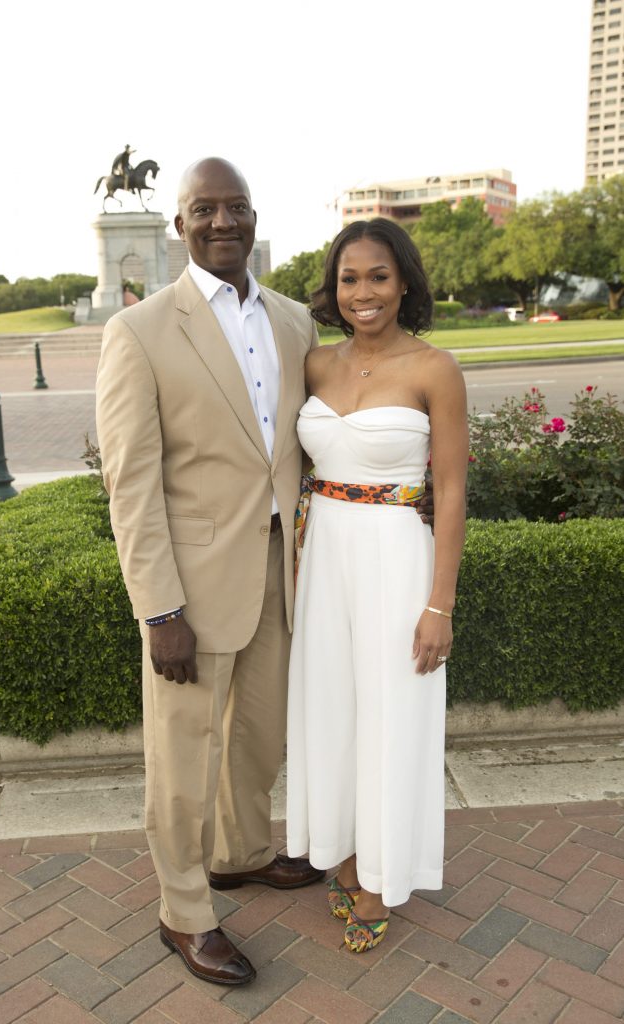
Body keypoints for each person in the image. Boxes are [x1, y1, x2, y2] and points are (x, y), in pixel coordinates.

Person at [95, 157, 325, 988]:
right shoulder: (141, 330)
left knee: (261, 734)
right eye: (204, 209)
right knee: (184, 753)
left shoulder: (295, 320)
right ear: (179, 224)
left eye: (235, 208)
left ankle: (239, 853)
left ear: (253, 216)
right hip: (191, 581)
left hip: (280, 568)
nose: (222, 222)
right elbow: (131, 481)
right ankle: (184, 910)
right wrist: (159, 610)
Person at [285, 218, 468, 953]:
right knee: (333, 711)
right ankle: (345, 848)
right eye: (349, 279)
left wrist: (439, 605)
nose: (363, 292)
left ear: (404, 284)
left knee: (392, 714)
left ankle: (378, 878)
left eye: (378, 277)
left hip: (397, 558)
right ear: (333, 289)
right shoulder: (314, 366)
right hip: (323, 559)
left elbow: (450, 492)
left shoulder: (434, 369)